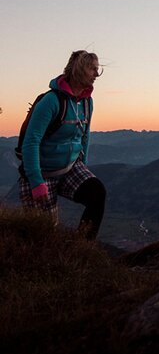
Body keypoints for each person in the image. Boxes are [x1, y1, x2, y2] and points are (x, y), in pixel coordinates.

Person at [19, 50, 106, 239]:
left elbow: (85, 134)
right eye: (92, 69)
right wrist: (36, 182)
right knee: (44, 235)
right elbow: (31, 142)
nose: (96, 75)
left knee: (97, 194)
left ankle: (82, 249)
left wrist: (82, 162)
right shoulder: (52, 101)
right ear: (80, 69)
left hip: (69, 169)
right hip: (42, 173)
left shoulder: (87, 102)